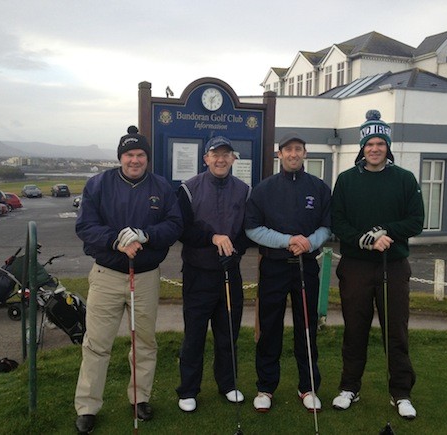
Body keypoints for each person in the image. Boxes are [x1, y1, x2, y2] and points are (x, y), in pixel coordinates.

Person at [74, 126, 183, 434]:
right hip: (107, 275)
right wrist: (116, 240)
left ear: (147, 158)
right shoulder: (98, 184)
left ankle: (140, 398)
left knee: (144, 342)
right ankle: (87, 406)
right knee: (96, 344)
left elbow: (175, 225)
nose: (135, 160)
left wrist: (145, 235)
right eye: (129, 155)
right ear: (120, 157)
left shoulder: (161, 187)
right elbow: (85, 226)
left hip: (146, 277)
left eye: (140, 155)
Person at [330, 110, 424, 420]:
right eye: (369, 143)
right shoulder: (345, 181)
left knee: (395, 330)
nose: (374, 149)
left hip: (392, 266)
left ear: (387, 146)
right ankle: (349, 388)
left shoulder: (404, 179)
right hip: (356, 266)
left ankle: (401, 393)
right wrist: (366, 239)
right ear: (361, 147)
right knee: (354, 330)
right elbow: (337, 222)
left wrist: (386, 233)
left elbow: (416, 220)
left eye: (380, 143)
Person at [245, 132, 332, 412]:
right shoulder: (264, 189)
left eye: (298, 149)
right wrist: (287, 241)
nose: (293, 154)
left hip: (306, 267)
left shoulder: (319, 188)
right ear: (279, 155)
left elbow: (327, 227)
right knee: (270, 328)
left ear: (305, 154)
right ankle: (266, 387)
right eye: (287, 150)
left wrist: (309, 242)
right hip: (273, 266)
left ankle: (307, 387)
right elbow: (252, 228)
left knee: (306, 328)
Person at [175, 136, 251, 412]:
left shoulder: (244, 190)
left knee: (228, 334)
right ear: (205, 159)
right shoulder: (189, 189)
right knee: (194, 335)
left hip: (230, 273)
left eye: (225, 154)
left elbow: (247, 231)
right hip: (198, 273)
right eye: (214, 154)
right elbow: (183, 230)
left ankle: (228, 384)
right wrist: (213, 237)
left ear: (233, 158)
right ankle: (188, 390)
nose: (220, 159)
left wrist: (234, 250)